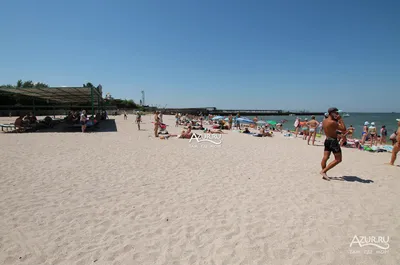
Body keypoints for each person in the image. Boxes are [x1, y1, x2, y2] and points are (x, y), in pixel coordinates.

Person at [320, 107, 346, 181]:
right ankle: (323, 171)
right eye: (336, 112)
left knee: (325, 157)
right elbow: (344, 129)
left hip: (327, 140)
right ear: (331, 113)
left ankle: (324, 173)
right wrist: (340, 119)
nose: (337, 114)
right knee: (338, 159)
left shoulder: (324, 121)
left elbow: (332, 129)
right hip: (333, 141)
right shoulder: (332, 122)